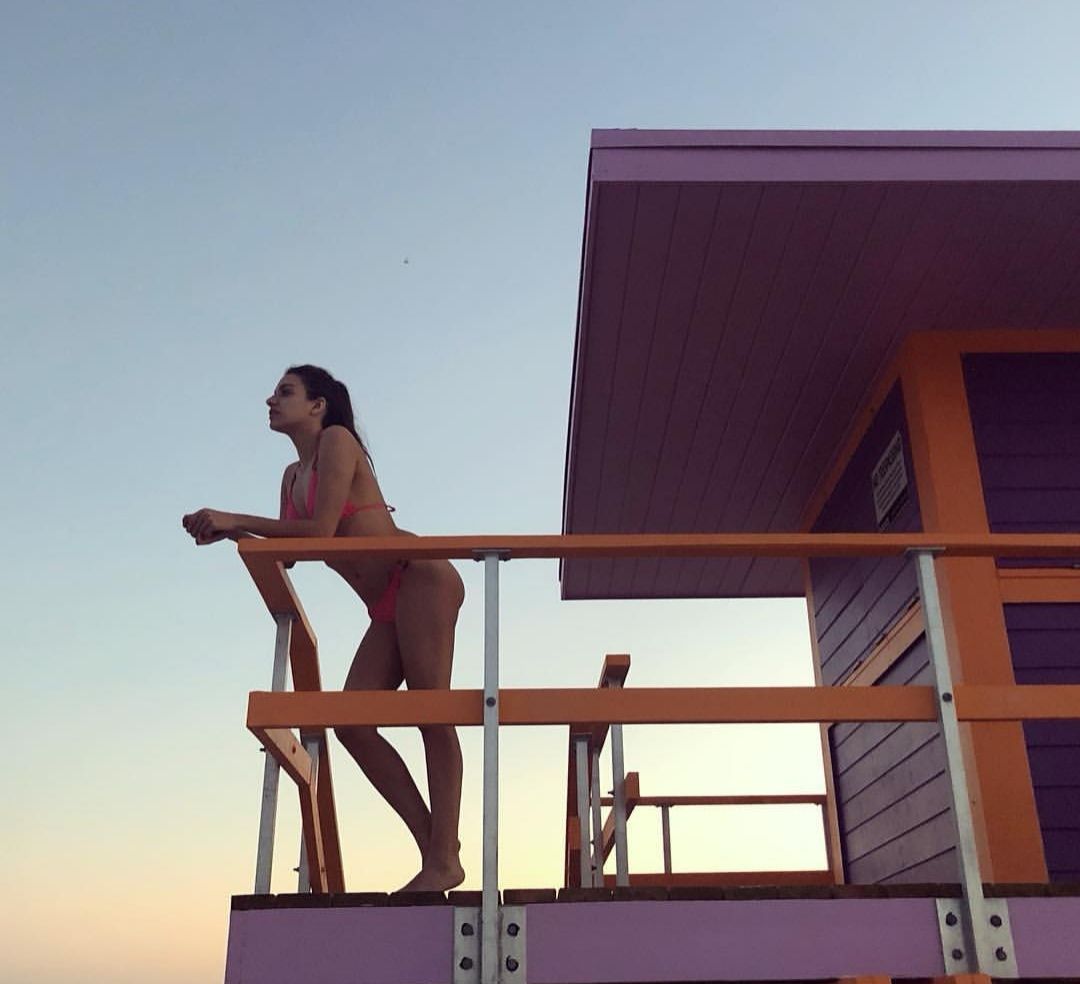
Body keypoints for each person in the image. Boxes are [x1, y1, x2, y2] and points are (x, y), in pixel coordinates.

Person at [182, 364, 465, 892]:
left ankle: (442, 857)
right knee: (352, 723)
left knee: (431, 711)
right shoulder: (292, 477)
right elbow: (293, 552)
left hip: (417, 576)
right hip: (383, 604)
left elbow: (320, 531)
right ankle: (438, 850)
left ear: (318, 405)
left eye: (285, 392)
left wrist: (234, 517)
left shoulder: (337, 440)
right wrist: (230, 533)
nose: (271, 400)